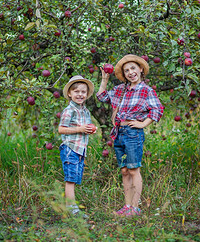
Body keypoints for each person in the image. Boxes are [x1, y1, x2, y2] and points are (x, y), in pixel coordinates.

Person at [96, 54, 164, 217]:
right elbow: (102, 96)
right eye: (126, 70)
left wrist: (143, 123)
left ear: (141, 69)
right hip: (119, 133)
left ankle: (135, 207)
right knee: (125, 170)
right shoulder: (121, 89)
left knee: (134, 169)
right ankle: (127, 206)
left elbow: (157, 109)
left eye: (133, 68)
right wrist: (104, 79)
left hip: (133, 133)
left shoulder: (146, 90)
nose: (130, 72)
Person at [58, 75, 96, 217]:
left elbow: (85, 127)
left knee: (74, 178)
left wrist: (91, 129)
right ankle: (71, 208)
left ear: (86, 94)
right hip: (70, 148)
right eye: (76, 91)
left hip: (80, 149)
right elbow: (61, 129)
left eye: (83, 92)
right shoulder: (69, 110)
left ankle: (71, 207)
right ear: (69, 93)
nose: (80, 94)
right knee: (70, 179)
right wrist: (80, 129)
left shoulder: (85, 111)